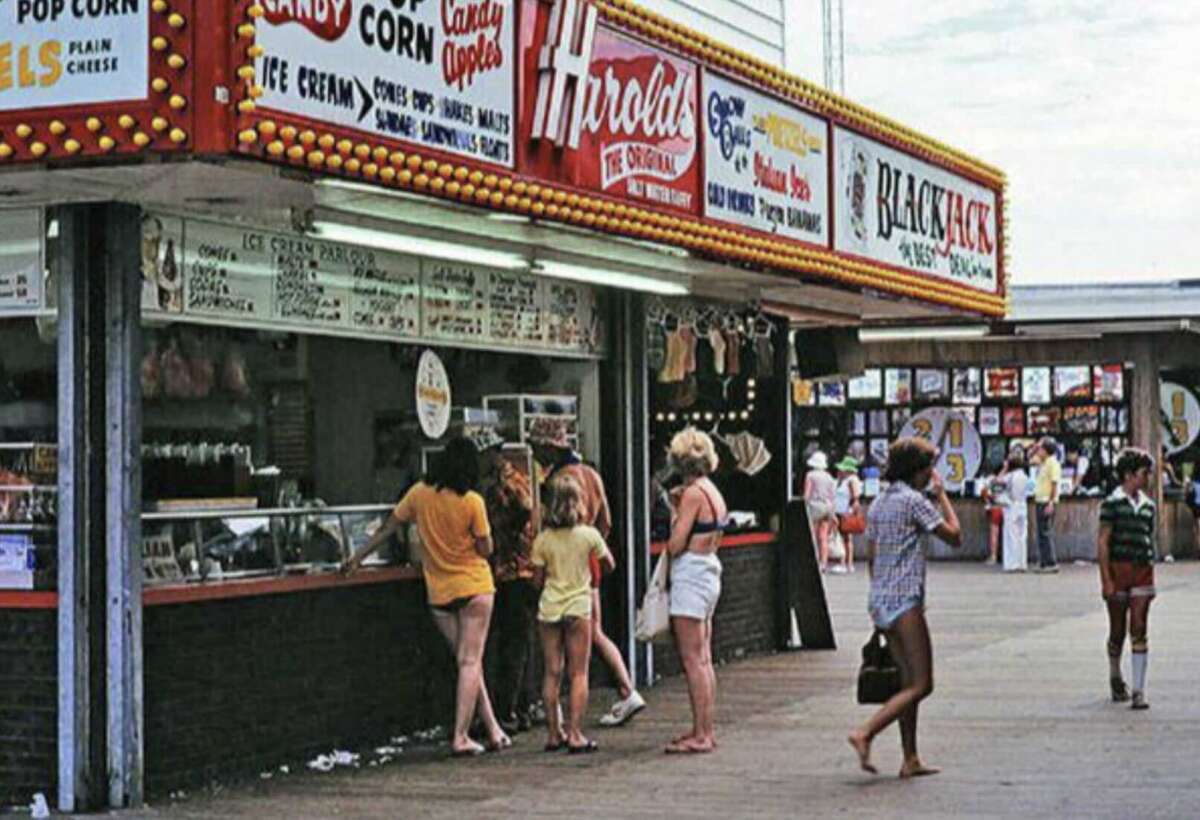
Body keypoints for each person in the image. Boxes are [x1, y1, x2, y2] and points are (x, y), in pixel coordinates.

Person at [343, 436, 509, 757]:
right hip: (475, 587)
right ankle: (461, 736)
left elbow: (388, 527)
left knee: (466, 663)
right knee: (470, 662)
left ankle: (492, 730)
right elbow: (486, 549)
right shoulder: (473, 501)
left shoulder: (419, 494)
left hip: (440, 593)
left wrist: (357, 558)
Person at [848, 437, 962, 778]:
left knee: (905, 681)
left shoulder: (880, 502)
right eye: (929, 467)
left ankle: (910, 757)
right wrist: (942, 496)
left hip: (880, 599)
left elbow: (871, 553)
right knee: (922, 683)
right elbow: (955, 536)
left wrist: (878, 597)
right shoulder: (915, 502)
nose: (932, 473)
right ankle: (866, 732)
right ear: (917, 470)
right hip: (906, 600)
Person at [528, 418, 645, 727]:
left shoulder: (559, 481)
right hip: (588, 560)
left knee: (583, 640)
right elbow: (605, 519)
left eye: (537, 447)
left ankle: (625, 689)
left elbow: (544, 527)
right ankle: (625, 690)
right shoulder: (591, 474)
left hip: (563, 569)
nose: (534, 453)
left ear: (549, 448)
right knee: (592, 631)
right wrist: (592, 547)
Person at [532, 475, 616, 753]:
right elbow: (610, 565)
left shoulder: (542, 540)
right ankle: (576, 733)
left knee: (551, 671)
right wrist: (589, 577)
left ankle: (554, 733)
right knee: (578, 673)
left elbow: (537, 580)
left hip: (550, 607)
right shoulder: (589, 535)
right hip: (579, 606)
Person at [664, 427, 728, 754]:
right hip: (711, 569)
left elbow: (676, 544)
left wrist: (675, 512)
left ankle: (701, 734)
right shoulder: (712, 491)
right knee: (704, 657)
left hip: (691, 573)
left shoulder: (691, 495)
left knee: (692, 659)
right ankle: (705, 728)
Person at [479, 438, 538, 735]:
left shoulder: (505, 483)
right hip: (514, 571)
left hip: (510, 571)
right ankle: (522, 705)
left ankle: (509, 709)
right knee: (519, 643)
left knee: (511, 645)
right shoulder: (514, 479)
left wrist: (509, 530)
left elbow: (525, 509)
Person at [1098, 448, 1157, 710]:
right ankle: (1115, 674)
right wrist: (1106, 579)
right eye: (1144, 473)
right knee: (1118, 629)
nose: (1147, 478)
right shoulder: (1111, 503)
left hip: (1142, 569)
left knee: (1140, 627)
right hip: (1118, 569)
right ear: (1129, 475)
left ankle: (1139, 690)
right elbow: (1103, 541)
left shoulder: (1149, 505)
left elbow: (1150, 535)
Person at [995, 451, 1029, 573]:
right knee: (1022, 536)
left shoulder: (1010, 476)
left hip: (1011, 506)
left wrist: (1004, 468)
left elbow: (996, 483)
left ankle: (1012, 564)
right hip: (1023, 506)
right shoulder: (1025, 476)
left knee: (1011, 536)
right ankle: (1022, 563)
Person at [1031, 437, 1062, 573]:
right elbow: (1029, 459)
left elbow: (1054, 484)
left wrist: (1051, 502)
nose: (1039, 451)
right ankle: (1043, 562)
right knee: (1041, 533)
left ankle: (1051, 562)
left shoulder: (1053, 463)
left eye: (1041, 449)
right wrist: (1036, 446)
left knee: (1045, 533)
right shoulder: (1043, 462)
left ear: (1046, 450)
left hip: (1046, 501)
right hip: (1040, 500)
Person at [804, 451, 838, 572]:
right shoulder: (829, 477)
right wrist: (833, 514)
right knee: (823, 536)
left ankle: (813, 560)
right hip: (827, 507)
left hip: (814, 506)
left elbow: (807, 494)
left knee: (812, 535)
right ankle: (824, 563)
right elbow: (833, 496)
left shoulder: (810, 475)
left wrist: (805, 505)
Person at [833, 456, 863, 574]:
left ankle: (847, 563)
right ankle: (845, 562)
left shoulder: (852, 480)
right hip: (840, 510)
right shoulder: (843, 480)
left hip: (846, 512)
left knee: (846, 538)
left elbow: (855, 496)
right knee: (843, 537)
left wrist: (852, 510)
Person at [980, 470, 1004, 565]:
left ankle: (993, 556)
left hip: (994, 508)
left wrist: (988, 501)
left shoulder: (990, 479)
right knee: (1008, 534)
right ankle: (1007, 555)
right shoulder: (1007, 477)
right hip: (1007, 508)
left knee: (994, 533)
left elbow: (984, 492)